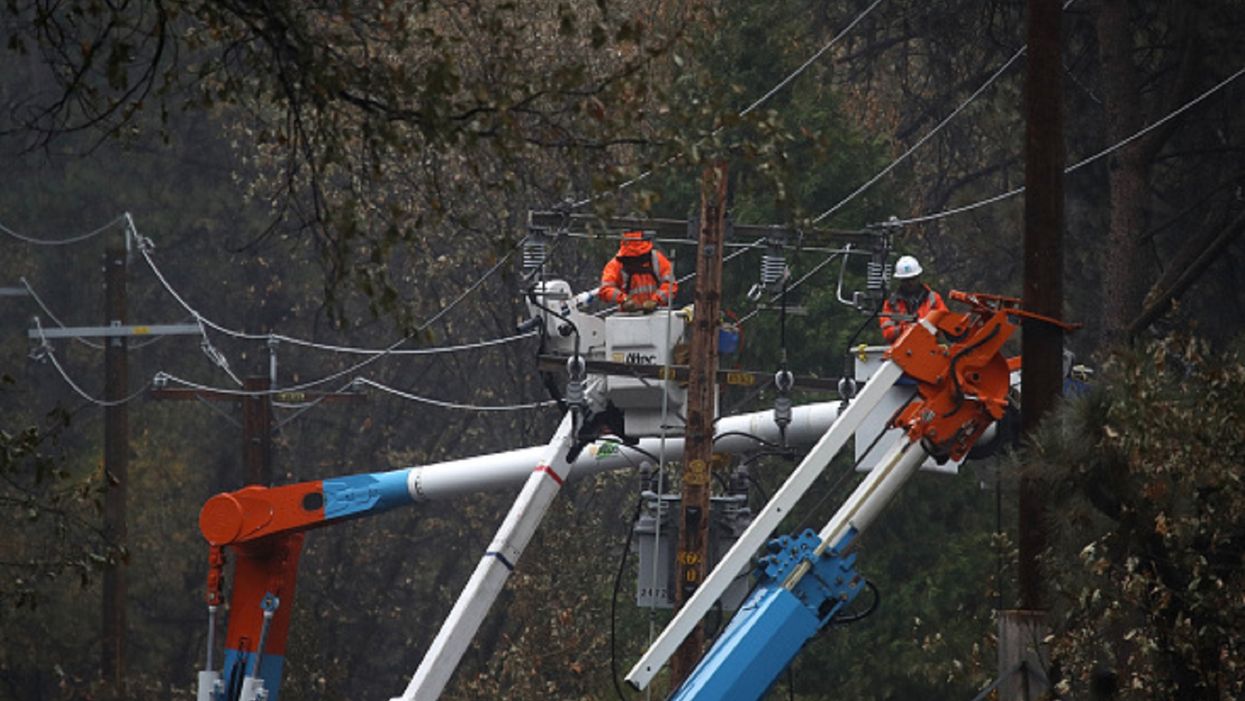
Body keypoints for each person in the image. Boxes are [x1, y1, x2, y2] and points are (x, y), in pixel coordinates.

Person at [597, 230, 677, 312]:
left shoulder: (657, 259)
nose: (636, 261)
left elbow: (670, 285)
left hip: (658, 314)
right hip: (628, 316)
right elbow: (605, 289)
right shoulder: (616, 264)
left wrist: (655, 300)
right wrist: (624, 299)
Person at [879, 255, 947, 343]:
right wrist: (903, 329)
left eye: (912, 279)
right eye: (906, 280)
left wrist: (925, 327)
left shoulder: (933, 298)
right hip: (902, 351)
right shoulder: (892, 303)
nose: (910, 283)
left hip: (930, 348)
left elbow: (946, 324)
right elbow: (887, 333)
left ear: (918, 277)